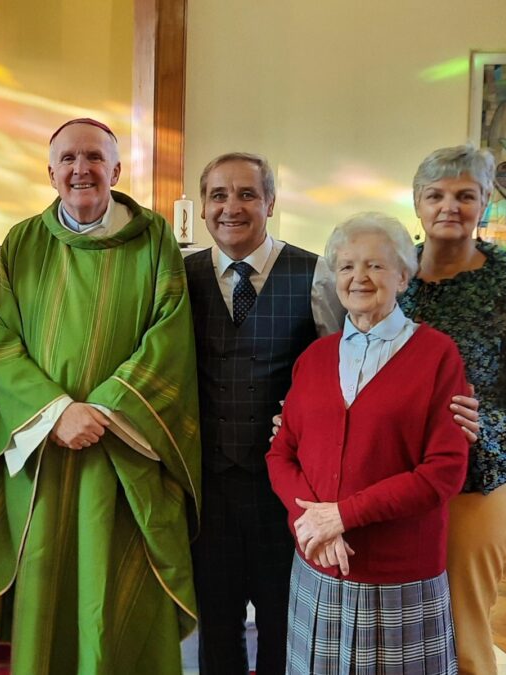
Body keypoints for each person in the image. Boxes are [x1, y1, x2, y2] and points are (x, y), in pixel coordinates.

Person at [0, 118, 201, 674]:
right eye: (68, 159)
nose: (81, 169)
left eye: (94, 157)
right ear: (50, 173)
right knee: (49, 585)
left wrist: (103, 410)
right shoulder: (24, 242)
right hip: (46, 451)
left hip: (123, 452)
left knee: (115, 594)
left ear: (117, 170)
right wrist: (57, 412)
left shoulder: (155, 240)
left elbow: (169, 335)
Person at [267, 212, 469, 674]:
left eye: (375, 266)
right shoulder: (315, 358)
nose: (358, 277)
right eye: (346, 266)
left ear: (402, 275)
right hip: (318, 566)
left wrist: (341, 515)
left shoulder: (438, 355)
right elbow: (281, 452)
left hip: (399, 574)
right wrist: (309, 521)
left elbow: (444, 471)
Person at [184, 152, 343, 675]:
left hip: (288, 491)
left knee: (285, 623)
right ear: (203, 207)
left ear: (271, 203)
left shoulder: (315, 272)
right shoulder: (178, 279)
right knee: (217, 627)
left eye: (247, 194)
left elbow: (342, 371)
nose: (232, 207)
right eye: (219, 195)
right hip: (208, 487)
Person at [398, 145, 506, 675]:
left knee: (461, 636)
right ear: (416, 203)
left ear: (485, 202)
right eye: (435, 195)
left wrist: (482, 424)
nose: (449, 207)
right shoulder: (392, 275)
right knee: (396, 634)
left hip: (472, 488)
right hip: (390, 485)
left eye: (465, 196)